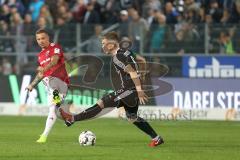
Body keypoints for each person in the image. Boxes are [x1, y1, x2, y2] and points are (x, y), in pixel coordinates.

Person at [60, 32, 164, 147]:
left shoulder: (117, 57)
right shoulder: (127, 52)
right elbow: (142, 60)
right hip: (132, 90)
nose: (102, 46)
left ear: (111, 45)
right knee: (132, 117)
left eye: (104, 43)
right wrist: (142, 78)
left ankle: (72, 118)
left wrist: (139, 90)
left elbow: (132, 71)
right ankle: (157, 138)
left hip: (129, 90)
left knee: (102, 103)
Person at [25, 28, 70, 143]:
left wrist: (43, 69)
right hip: (50, 85)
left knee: (52, 102)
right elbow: (41, 74)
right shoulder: (40, 55)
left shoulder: (55, 47)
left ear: (48, 38)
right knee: (53, 109)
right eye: (38, 39)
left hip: (61, 83)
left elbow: (54, 62)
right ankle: (66, 116)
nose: (41, 41)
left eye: (43, 38)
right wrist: (32, 85)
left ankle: (44, 136)